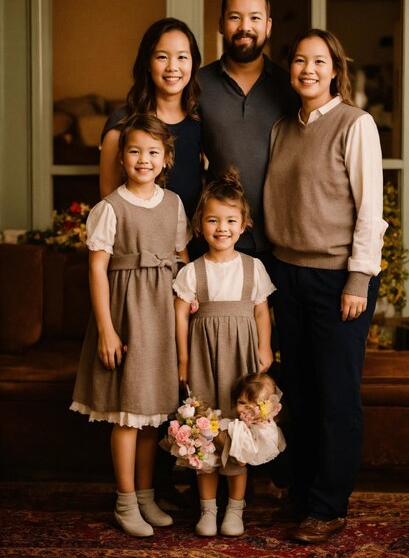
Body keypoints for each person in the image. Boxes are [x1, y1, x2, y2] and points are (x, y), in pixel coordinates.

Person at [263, 28, 388, 544]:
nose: (307, 70)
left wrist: (358, 278)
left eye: (318, 61)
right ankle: (302, 495)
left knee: (337, 398)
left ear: (336, 69)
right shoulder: (281, 129)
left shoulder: (355, 125)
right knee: (302, 394)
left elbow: (370, 209)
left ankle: (328, 505)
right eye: (298, 61)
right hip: (286, 275)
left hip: (339, 279)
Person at [71, 114, 191, 538]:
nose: (144, 159)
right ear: (122, 158)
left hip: (160, 315)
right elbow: (97, 270)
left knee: (152, 415)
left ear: (166, 159)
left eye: (153, 152)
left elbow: (182, 260)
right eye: (135, 151)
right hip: (126, 313)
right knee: (127, 415)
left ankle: (144, 495)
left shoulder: (174, 204)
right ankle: (124, 500)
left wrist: (190, 301)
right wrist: (107, 329)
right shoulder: (110, 208)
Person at [172, 168, 275, 537]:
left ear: (244, 224)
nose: (222, 228)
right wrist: (183, 360)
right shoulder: (192, 272)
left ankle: (235, 510)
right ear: (200, 225)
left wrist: (264, 347)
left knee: (236, 431)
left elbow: (262, 309)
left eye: (230, 220)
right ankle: (206, 510)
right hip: (203, 360)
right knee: (206, 433)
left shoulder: (254, 268)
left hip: (241, 362)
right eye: (213, 220)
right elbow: (180, 315)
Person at [199, 0, 299, 260]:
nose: (245, 27)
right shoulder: (197, 85)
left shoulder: (291, 87)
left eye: (254, 18)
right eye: (235, 17)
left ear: (268, 26)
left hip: (282, 241)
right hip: (219, 240)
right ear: (221, 24)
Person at [100, 17, 203, 222]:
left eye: (182, 57)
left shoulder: (200, 119)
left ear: (193, 63)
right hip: (141, 245)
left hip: (194, 242)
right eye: (162, 57)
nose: (172, 67)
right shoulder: (123, 123)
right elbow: (109, 202)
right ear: (147, 63)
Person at [218, 372, 286, 468]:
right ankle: (239, 455)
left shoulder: (264, 419)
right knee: (230, 427)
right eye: (241, 402)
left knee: (234, 428)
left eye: (257, 406)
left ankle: (241, 456)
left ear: (268, 407)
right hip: (254, 436)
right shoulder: (250, 417)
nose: (246, 411)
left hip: (260, 442)